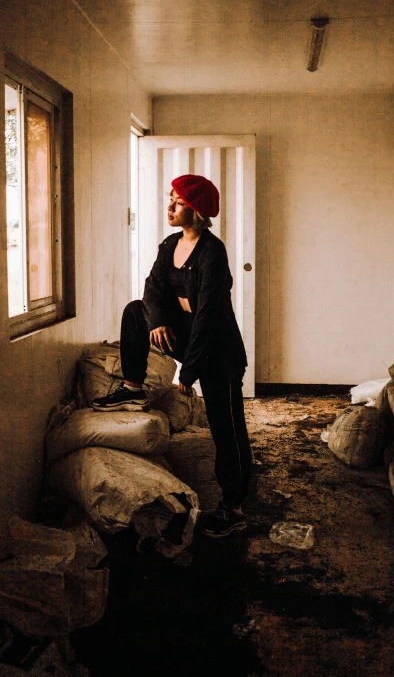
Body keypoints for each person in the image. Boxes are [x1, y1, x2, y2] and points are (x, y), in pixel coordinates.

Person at [92, 174, 252, 538]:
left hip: (218, 352)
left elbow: (210, 316)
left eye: (177, 202)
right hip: (188, 334)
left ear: (195, 210)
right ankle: (132, 385)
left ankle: (235, 506)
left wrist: (188, 372)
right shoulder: (169, 245)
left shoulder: (213, 252)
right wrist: (159, 321)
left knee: (226, 428)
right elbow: (153, 288)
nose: (169, 207)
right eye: (170, 199)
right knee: (137, 311)